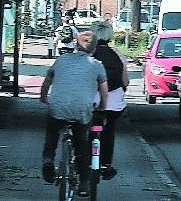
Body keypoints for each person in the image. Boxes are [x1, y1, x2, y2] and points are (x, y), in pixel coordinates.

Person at [41, 28, 108, 190]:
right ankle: (84, 182)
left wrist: (43, 98)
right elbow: (104, 92)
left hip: (58, 106)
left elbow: (47, 80)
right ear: (94, 48)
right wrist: (102, 107)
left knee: (52, 131)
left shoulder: (62, 60)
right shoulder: (97, 65)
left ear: (76, 45)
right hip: (81, 109)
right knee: (81, 143)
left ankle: (48, 159)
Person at [88, 21, 129, 181]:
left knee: (84, 128)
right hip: (114, 104)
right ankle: (106, 164)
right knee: (109, 130)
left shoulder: (87, 55)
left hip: (90, 102)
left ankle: (82, 161)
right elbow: (125, 82)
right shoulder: (118, 55)